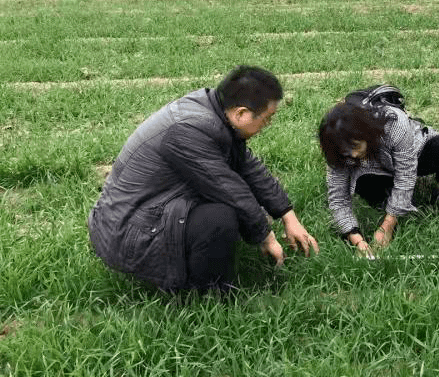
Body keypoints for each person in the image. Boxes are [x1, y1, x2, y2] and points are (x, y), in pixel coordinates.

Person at [88, 65, 318, 292]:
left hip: (139, 214)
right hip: (127, 234)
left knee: (233, 207)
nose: (267, 126)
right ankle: (205, 295)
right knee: (220, 218)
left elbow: (248, 167)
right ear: (241, 113)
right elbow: (227, 188)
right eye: (267, 119)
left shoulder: (214, 112)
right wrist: (266, 237)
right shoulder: (189, 129)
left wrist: (288, 216)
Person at [318, 97, 439, 253]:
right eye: (346, 151)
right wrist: (357, 240)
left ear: (365, 132)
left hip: (413, 155)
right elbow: (338, 198)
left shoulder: (394, 122)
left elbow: (406, 175)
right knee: (363, 183)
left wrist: (387, 226)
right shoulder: (337, 150)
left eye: (356, 146)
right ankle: (391, 203)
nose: (353, 154)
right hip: (378, 172)